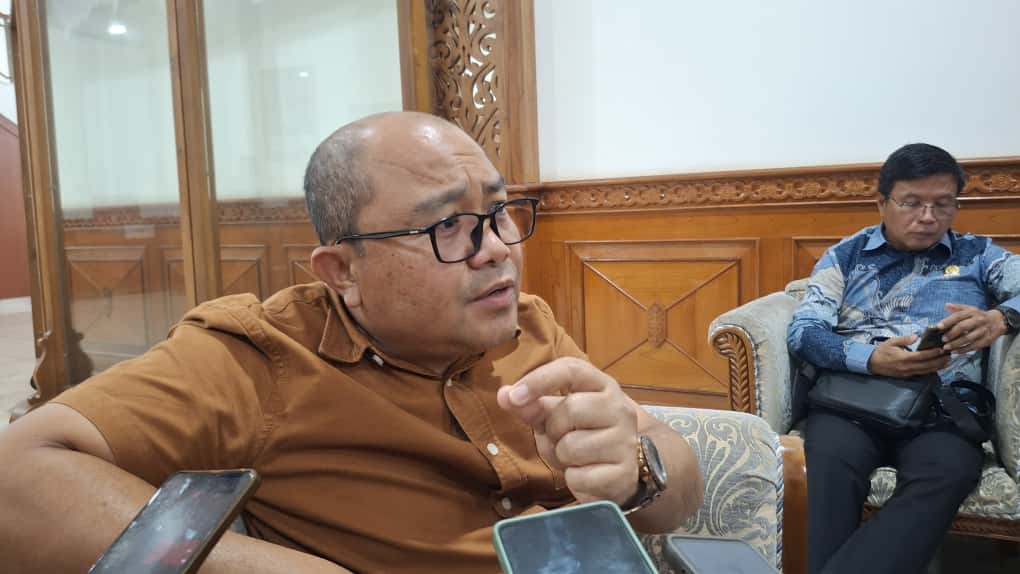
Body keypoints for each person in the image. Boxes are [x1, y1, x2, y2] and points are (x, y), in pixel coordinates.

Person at [0, 111, 704, 573]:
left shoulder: (527, 322)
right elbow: (18, 475)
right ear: (342, 271)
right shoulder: (259, 357)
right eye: (447, 227)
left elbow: (677, 483)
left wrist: (639, 470)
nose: (496, 249)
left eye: (497, 212)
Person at [787, 142, 1020, 574]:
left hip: (943, 409)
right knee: (827, 467)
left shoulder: (978, 255)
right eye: (911, 203)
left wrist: (999, 319)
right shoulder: (845, 256)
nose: (928, 217)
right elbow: (804, 332)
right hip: (852, 402)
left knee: (950, 470)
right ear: (882, 203)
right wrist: (870, 359)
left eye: (943, 204)